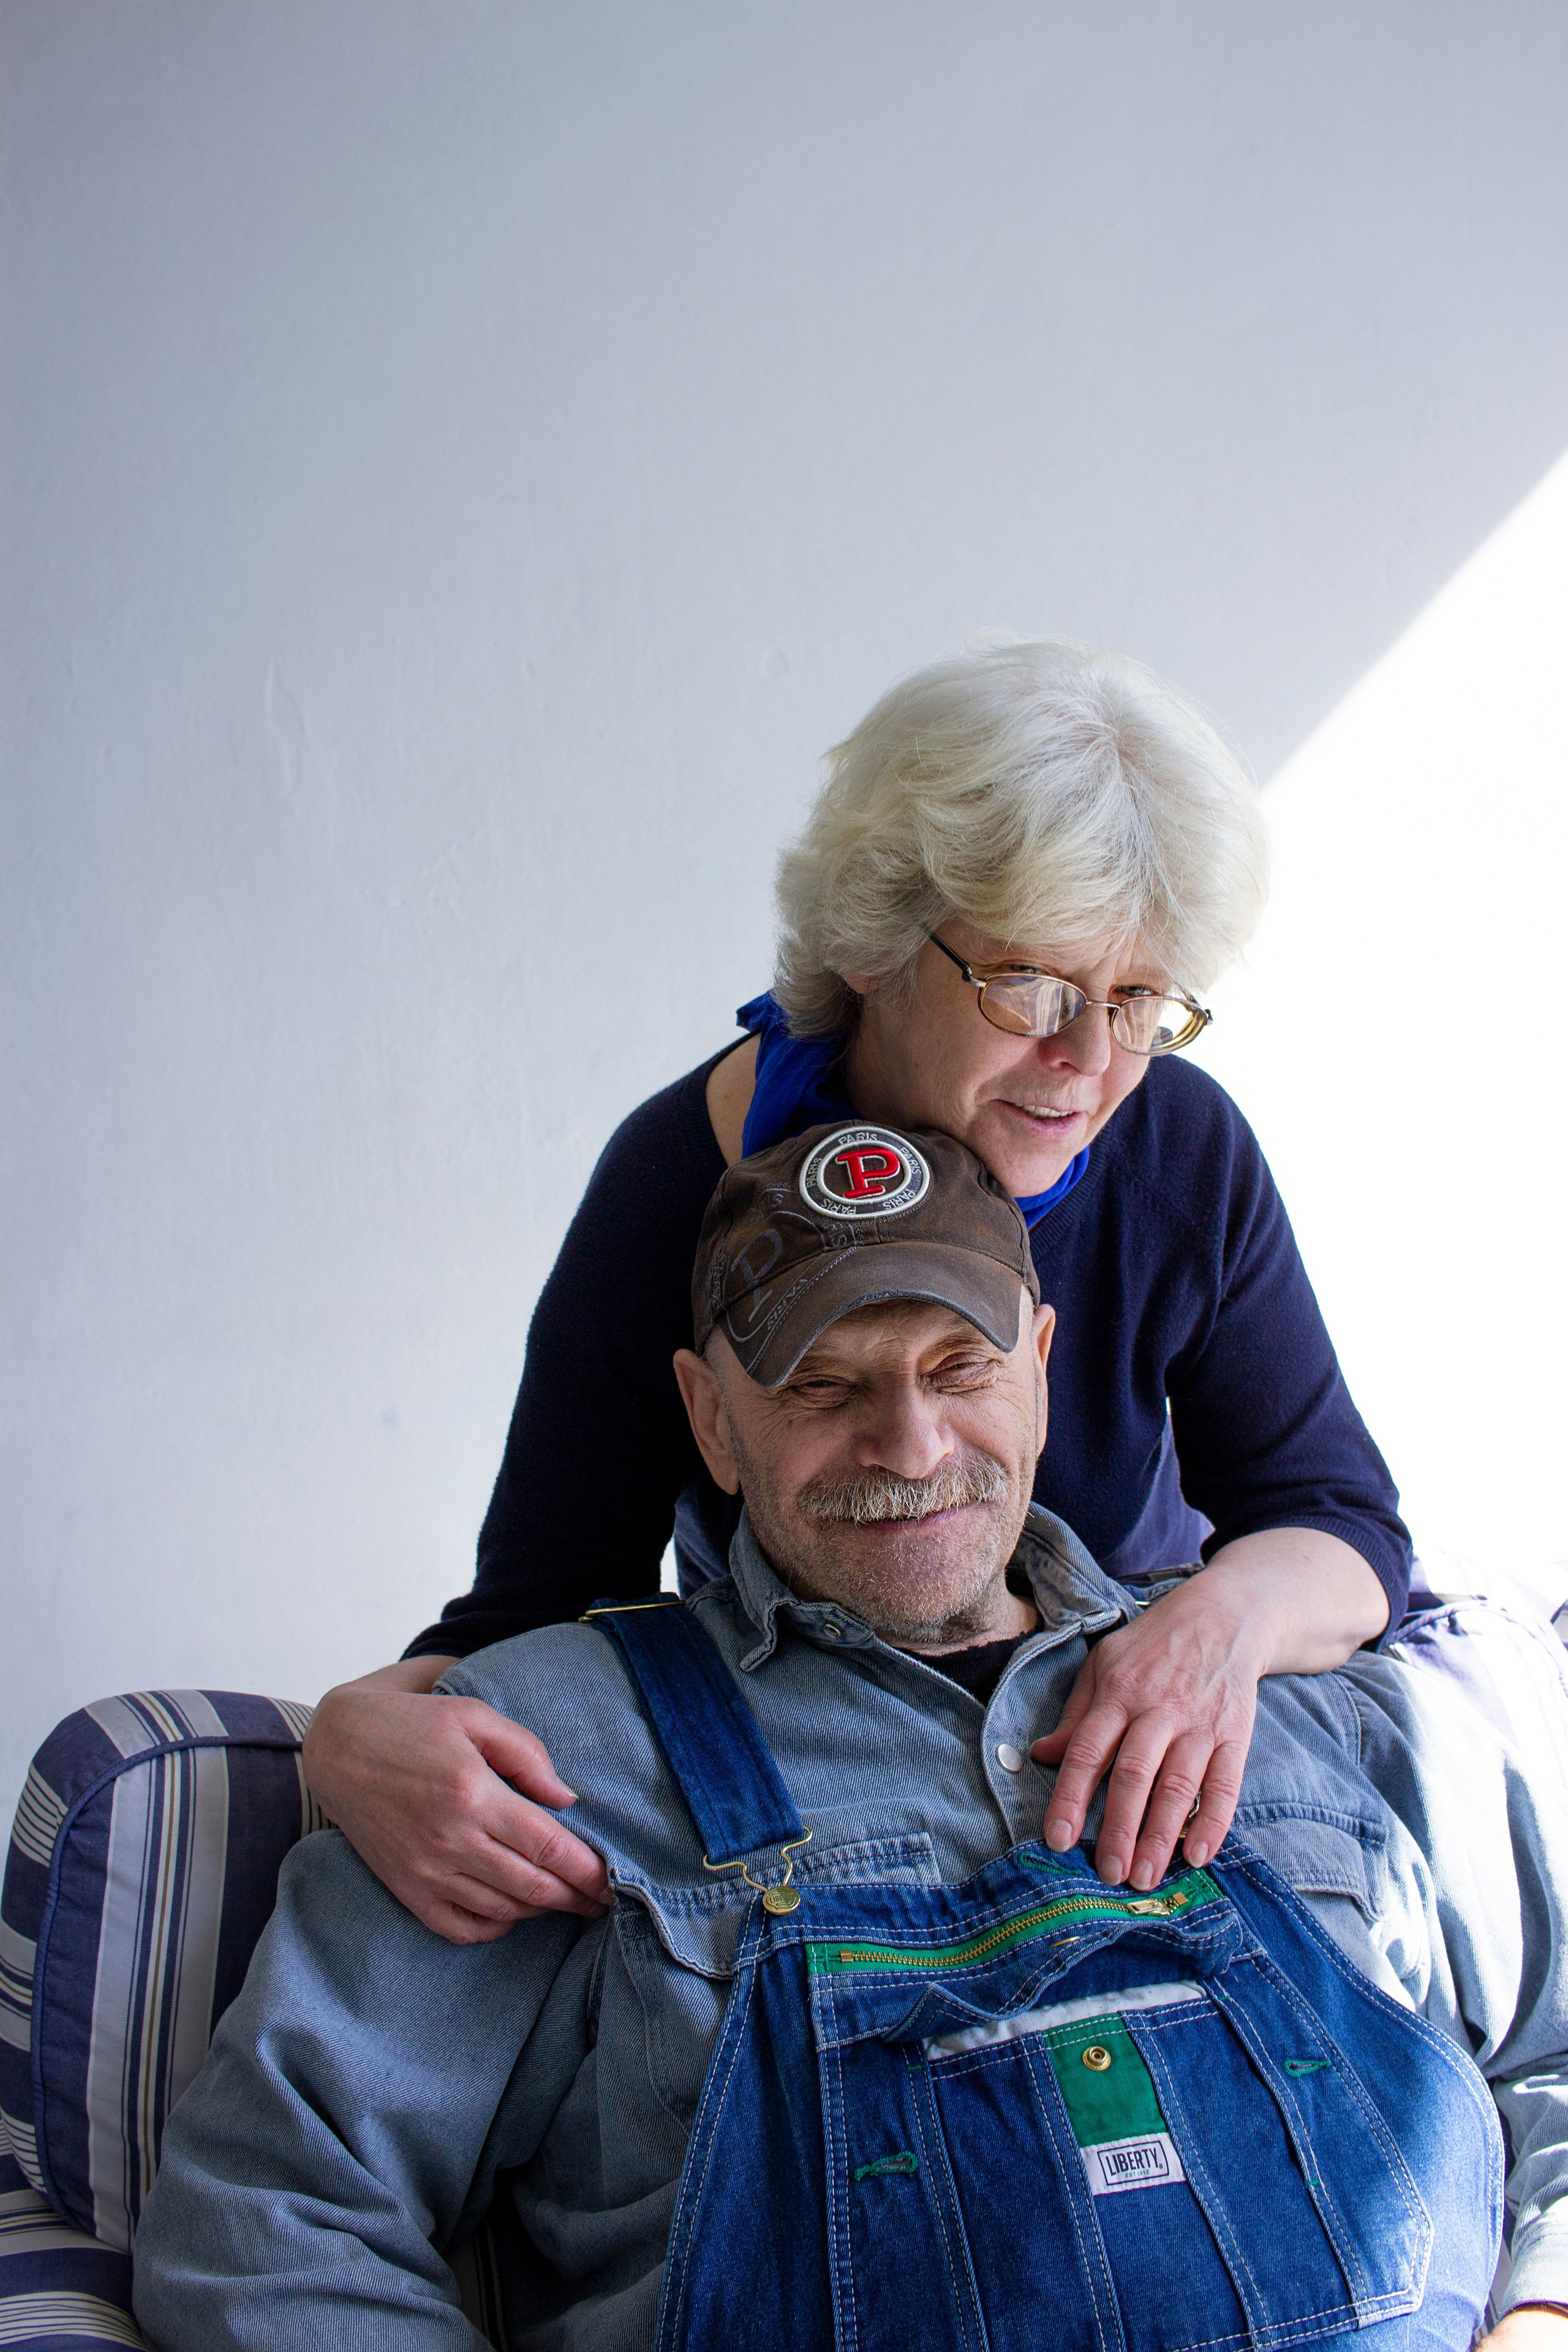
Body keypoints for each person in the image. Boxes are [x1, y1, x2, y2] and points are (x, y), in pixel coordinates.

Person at [135, 1128, 1561, 2352]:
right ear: (709, 1415)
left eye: (960, 1365)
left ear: (1041, 1364)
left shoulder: (1306, 1705)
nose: (914, 1443)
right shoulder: (532, 1759)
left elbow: (1548, 2059)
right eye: (825, 1384)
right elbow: (268, 2212)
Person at [302, 639, 1410, 1945]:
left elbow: (1339, 1523)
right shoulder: (675, 1186)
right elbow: (541, 1613)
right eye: (1032, 987)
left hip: (1119, 1753)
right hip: (830, 1775)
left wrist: (1217, 1625)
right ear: (876, 942)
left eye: (1137, 1000)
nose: (1087, 1063)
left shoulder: (1173, 1145)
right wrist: (344, 1736)